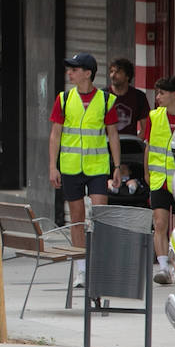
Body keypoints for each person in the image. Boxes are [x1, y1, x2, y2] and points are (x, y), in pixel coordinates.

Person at [47, 52, 121, 289]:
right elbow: (55, 134)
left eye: (74, 69)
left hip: (98, 167)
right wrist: (52, 166)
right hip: (70, 168)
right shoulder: (64, 98)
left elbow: (112, 135)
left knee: (100, 215)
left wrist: (117, 167)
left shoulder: (106, 100)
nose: (69, 73)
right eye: (69, 69)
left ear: (87, 73)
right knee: (77, 218)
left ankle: (99, 266)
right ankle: (81, 270)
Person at [141, 75, 175, 285]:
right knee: (160, 222)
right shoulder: (154, 116)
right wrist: (146, 172)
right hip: (159, 180)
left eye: (162, 93)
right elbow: (148, 146)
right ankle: (164, 268)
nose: (157, 97)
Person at [106, 57, 149, 138]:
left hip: (130, 147)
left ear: (127, 76)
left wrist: (134, 144)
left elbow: (146, 128)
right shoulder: (102, 95)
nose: (113, 75)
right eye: (111, 71)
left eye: (118, 72)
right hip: (106, 146)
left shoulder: (139, 97)